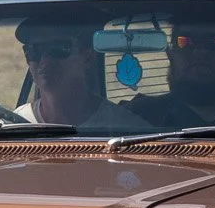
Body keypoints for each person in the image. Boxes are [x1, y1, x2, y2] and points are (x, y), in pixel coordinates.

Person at [11, 17, 149, 134]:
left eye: (58, 49)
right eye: (34, 51)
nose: (45, 61)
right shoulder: (10, 127)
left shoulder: (127, 131)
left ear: (87, 58)